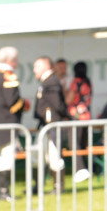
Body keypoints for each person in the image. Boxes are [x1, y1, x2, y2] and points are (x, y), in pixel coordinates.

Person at [0, 46, 29, 201]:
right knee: (6, 158)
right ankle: (3, 192)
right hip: (8, 124)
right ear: (10, 60)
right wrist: (25, 104)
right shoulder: (8, 77)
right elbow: (13, 102)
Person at [32, 56, 69, 192]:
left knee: (54, 157)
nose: (34, 70)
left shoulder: (51, 82)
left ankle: (58, 187)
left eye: (36, 66)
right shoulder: (47, 82)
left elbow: (57, 105)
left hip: (52, 127)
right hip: (45, 127)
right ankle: (38, 187)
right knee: (38, 156)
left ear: (45, 66)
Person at [65, 60, 93, 183]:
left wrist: (64, 91)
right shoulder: (88, 82)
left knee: (73, 143)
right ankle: (88, 168)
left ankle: (81, 170)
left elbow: (68, 100)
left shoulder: (75, 83)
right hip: (86, 116)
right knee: (82, 144)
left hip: (75, 116)